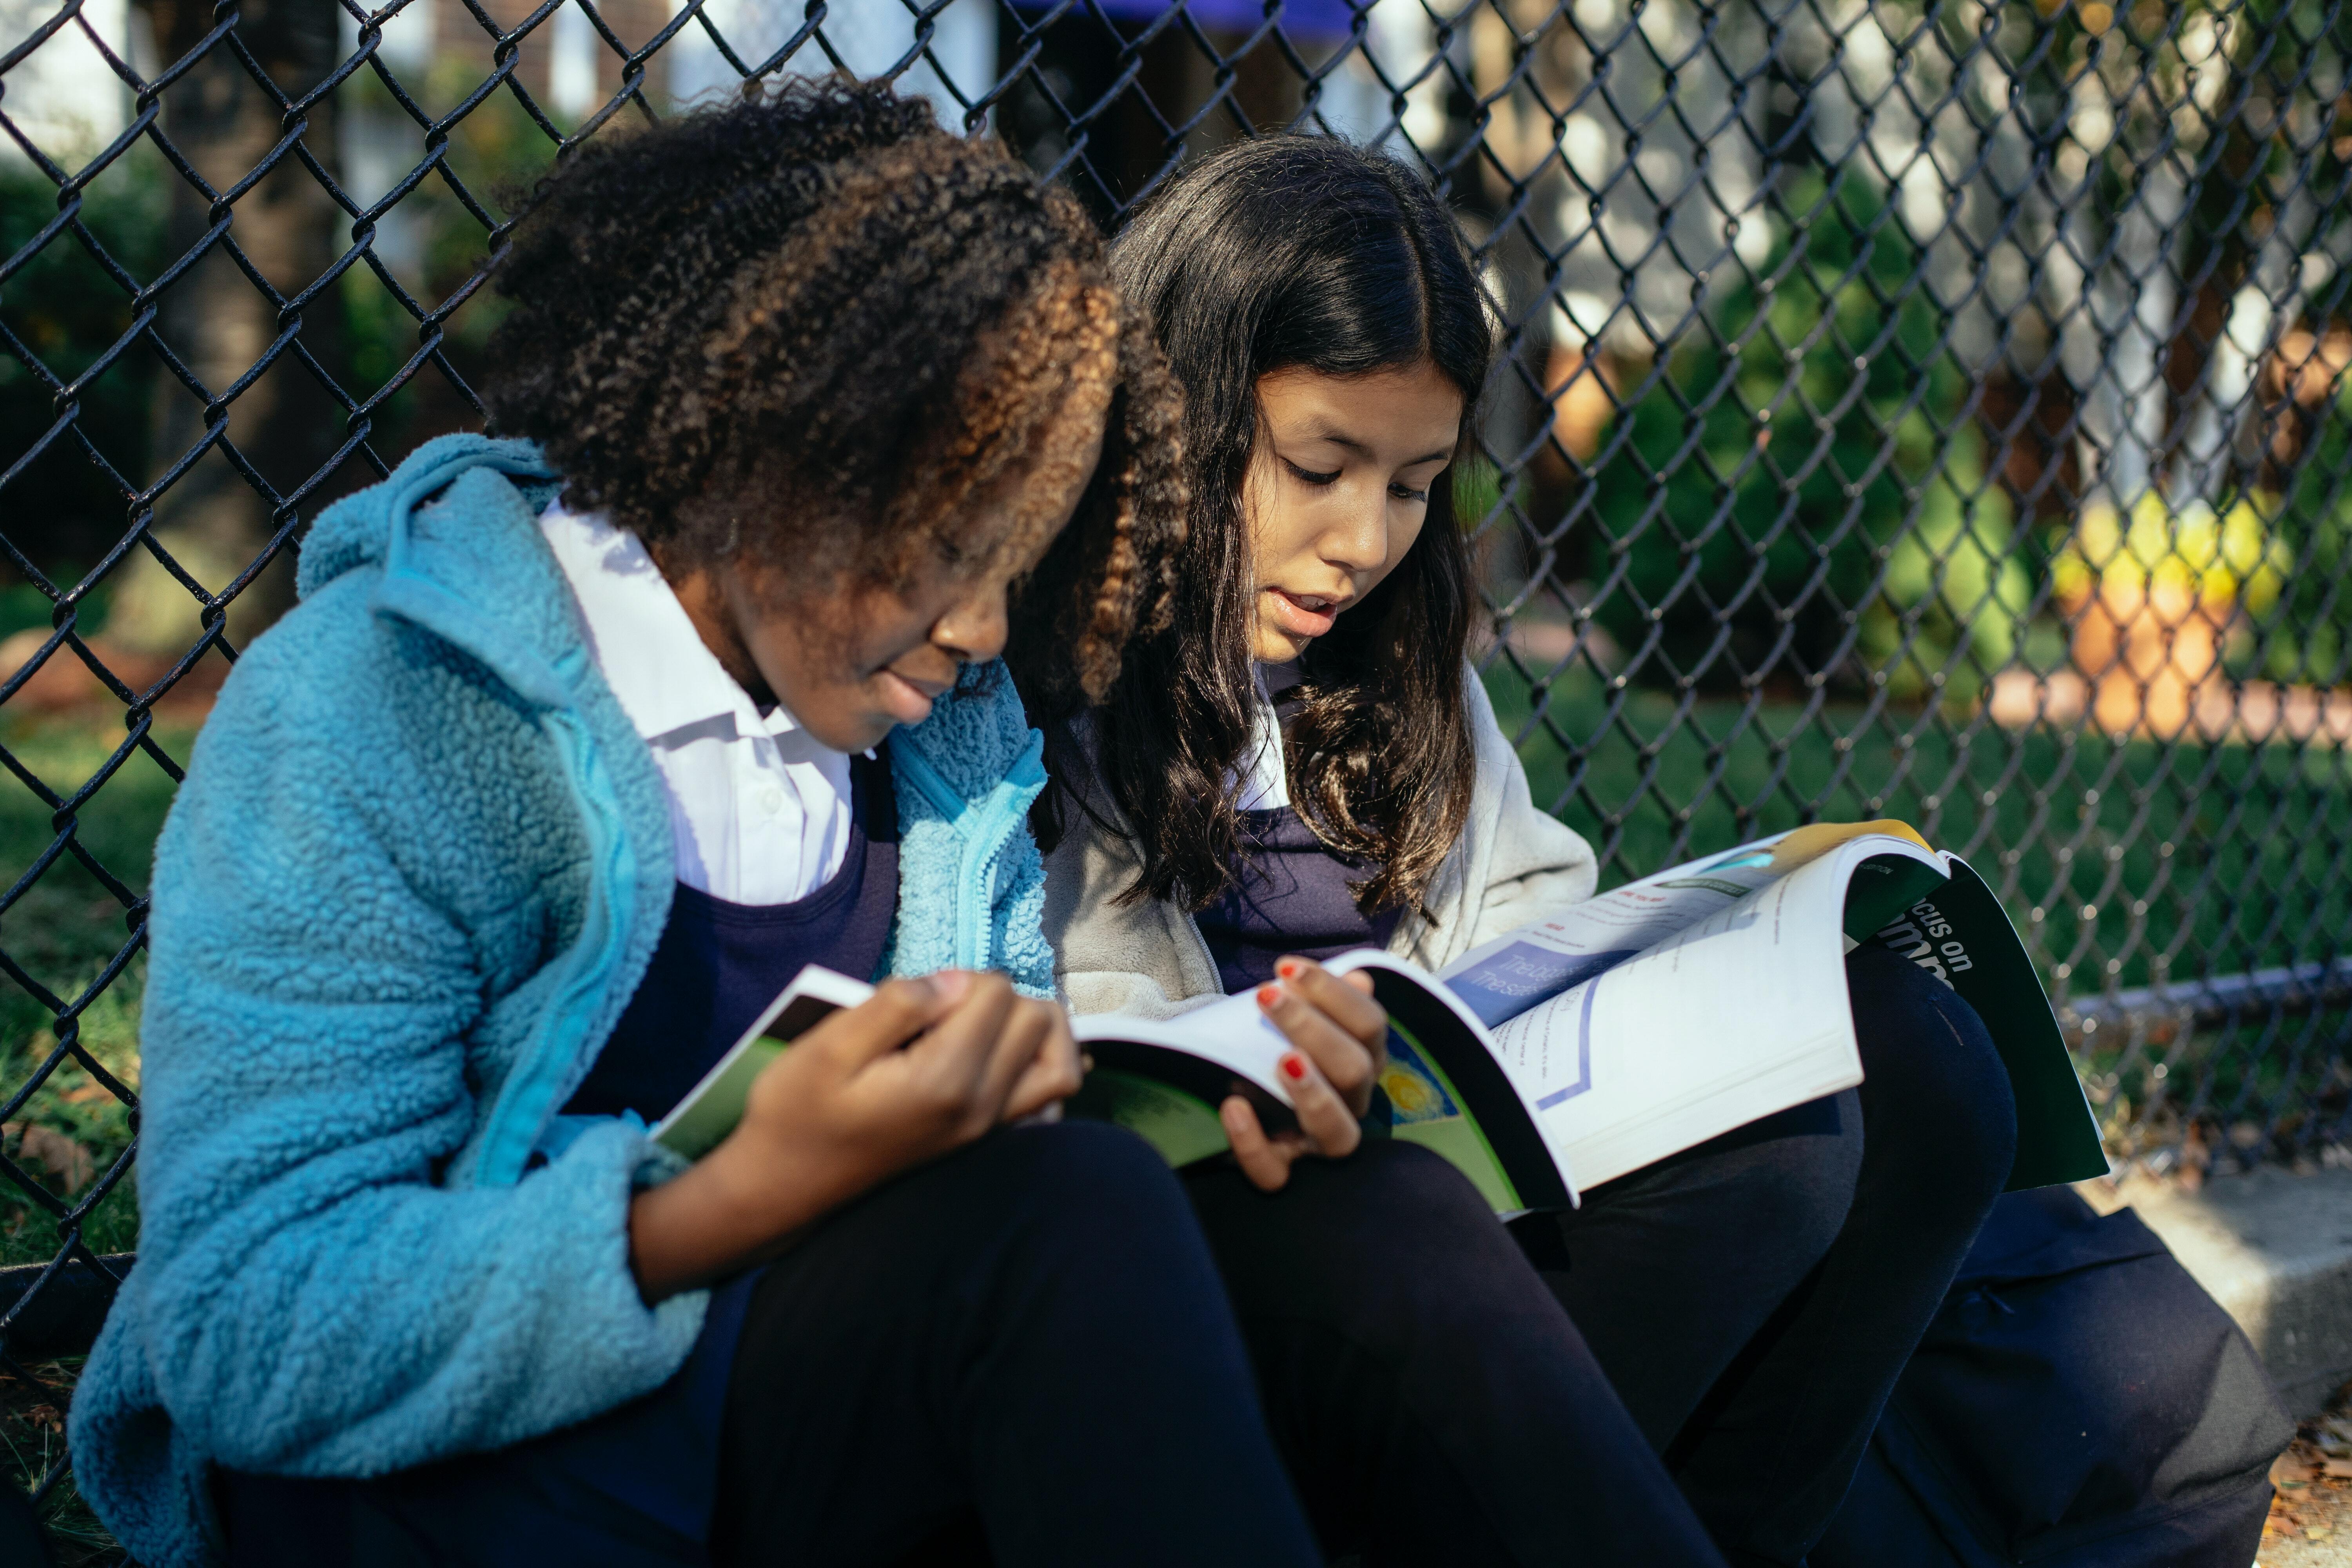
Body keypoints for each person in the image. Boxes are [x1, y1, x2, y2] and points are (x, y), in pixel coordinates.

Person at [71, 84, 1726, 1568]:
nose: (990, 630)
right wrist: (708, 1206)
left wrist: (1187, 1084)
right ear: (763, 444)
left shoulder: (939, 743)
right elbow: (239, 1325)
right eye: (947, 553)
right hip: (460, 1484)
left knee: (1357, 1208)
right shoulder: (382, 709)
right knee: (1062, 1227)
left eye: (1021, 561)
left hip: (797, 1414)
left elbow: (985, 1178)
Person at [1018, 133, 2020, 1568]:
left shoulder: (1394, 671)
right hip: (1260, 1260)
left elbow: (1532, 920)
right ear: (1173, 412)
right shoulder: (1056, 681)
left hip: (1471, 1205)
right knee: (1772, 1165)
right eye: (1316, 467)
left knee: (1924, 1065)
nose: (1363, 541)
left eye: (1416, 483)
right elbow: (1092, 1028)